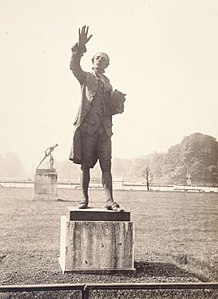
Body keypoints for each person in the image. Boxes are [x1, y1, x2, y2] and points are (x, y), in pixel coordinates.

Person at [69, 26, 126, 212]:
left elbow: (110, 109)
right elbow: (74, 66)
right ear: (93, 61)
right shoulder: (86, 77)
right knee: (86, 166)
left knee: (106, 166)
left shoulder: (108, 84)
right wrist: (79, 48)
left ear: (107, 65)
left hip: (105, 130)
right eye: (98, 58)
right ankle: (84, 199)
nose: (101, 61)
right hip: (88, 128)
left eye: (105, 60)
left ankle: (110, 201)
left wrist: (118, 104)